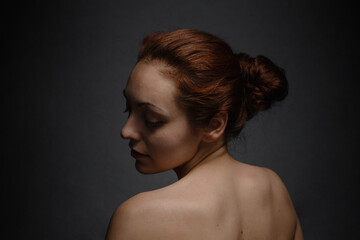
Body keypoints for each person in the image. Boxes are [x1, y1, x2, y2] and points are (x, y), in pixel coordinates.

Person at [105, 29, 303, 240]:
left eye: (152, 120)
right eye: (129, 108)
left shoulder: (138, 218)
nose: (126, 131)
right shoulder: (274, 189)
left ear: (214, 125)